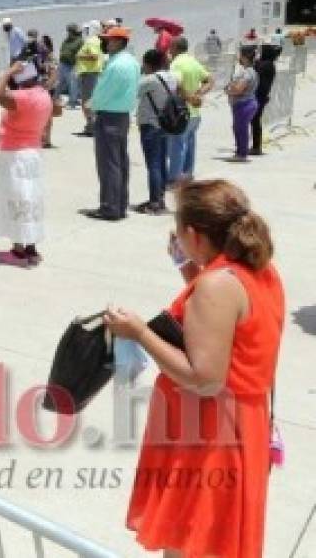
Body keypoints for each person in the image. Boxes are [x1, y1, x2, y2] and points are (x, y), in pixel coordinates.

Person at [106, 180, 283, 558]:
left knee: (192, 544)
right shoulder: (255, 270)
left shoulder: (217, 286)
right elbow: (221, 325)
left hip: (211, 435)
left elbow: (204, 379)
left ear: (194, 234)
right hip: (238, 425)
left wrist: (138, 332)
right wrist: (189, 268)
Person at [0, 60, 52, 266]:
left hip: (15, 155)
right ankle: (31, 247)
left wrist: (7, 71)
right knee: (30, 200)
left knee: (16, 200)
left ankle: (18, 252)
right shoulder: (43, 95)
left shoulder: (22, 97)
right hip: (32, 153)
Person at [81, 26, 139, 221]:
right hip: (122, 115)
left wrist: (91, 104)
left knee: (108, 164)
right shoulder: (131, 61)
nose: (105, 43)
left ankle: (109, 206)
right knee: (120, 162)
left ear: (118, 42)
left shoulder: (115, 65)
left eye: (109, 40)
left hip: (109, 115)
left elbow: (104, 91)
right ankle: (120, 203)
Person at [134, 49, 177, 216]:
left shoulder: (150, 80)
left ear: (148, 63)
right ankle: (160, 198)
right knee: (161, 162)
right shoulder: (172, 77)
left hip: (150, 124)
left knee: (152, 164)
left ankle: (154, 202)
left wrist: (141, 73)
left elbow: (133, 91)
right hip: (165, 124)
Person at [167, 37, 213, 185]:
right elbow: (210, 80)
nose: (169, 49)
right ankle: (188, 175)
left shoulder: (176, 64)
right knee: (190, 144)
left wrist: (189, 98)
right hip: (195, 113)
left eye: (170, 46)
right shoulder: (194, 61)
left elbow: (175, 84)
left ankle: (175, 178)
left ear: (175, 47)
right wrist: (199, 94)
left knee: (177, 146)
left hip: (181, 112)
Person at [225, 46, 259, 163]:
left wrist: (229, 90)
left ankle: (241, 154)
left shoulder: (247, 73)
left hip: (243, 104)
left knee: (241, 129)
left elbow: (239, 89)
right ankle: (240, 151)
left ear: (245, 57)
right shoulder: (250, 71)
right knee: (239, 128)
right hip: (247, 103)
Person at [76, 20, 105, 135]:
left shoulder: (91, 41)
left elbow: (93, 56)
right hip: (91, 73)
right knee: (90, 101)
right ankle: (91, 125)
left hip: (90, 73)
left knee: (87, 102)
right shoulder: (96, 40)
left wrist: (80, 55)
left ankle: (91, 126)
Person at [250, 45, 277, 156]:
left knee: (255, 120)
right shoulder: (268, 64)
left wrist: (252, 61)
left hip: (259, 96)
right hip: (261, 95)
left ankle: (256, 147)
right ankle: (255, 146)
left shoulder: (266, 65)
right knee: (254, 120)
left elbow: (255, 70)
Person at [58, 23, 83, 109]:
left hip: (73, 65)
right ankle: (55, 99)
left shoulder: (80, 40)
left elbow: (81, 53)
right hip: (63, 63)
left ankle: (73, 101)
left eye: (70, 31)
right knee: (59, 82)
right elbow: (62, 49)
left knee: (73, 83)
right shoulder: (67, 40)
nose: (68, 33)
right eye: (68, 31)